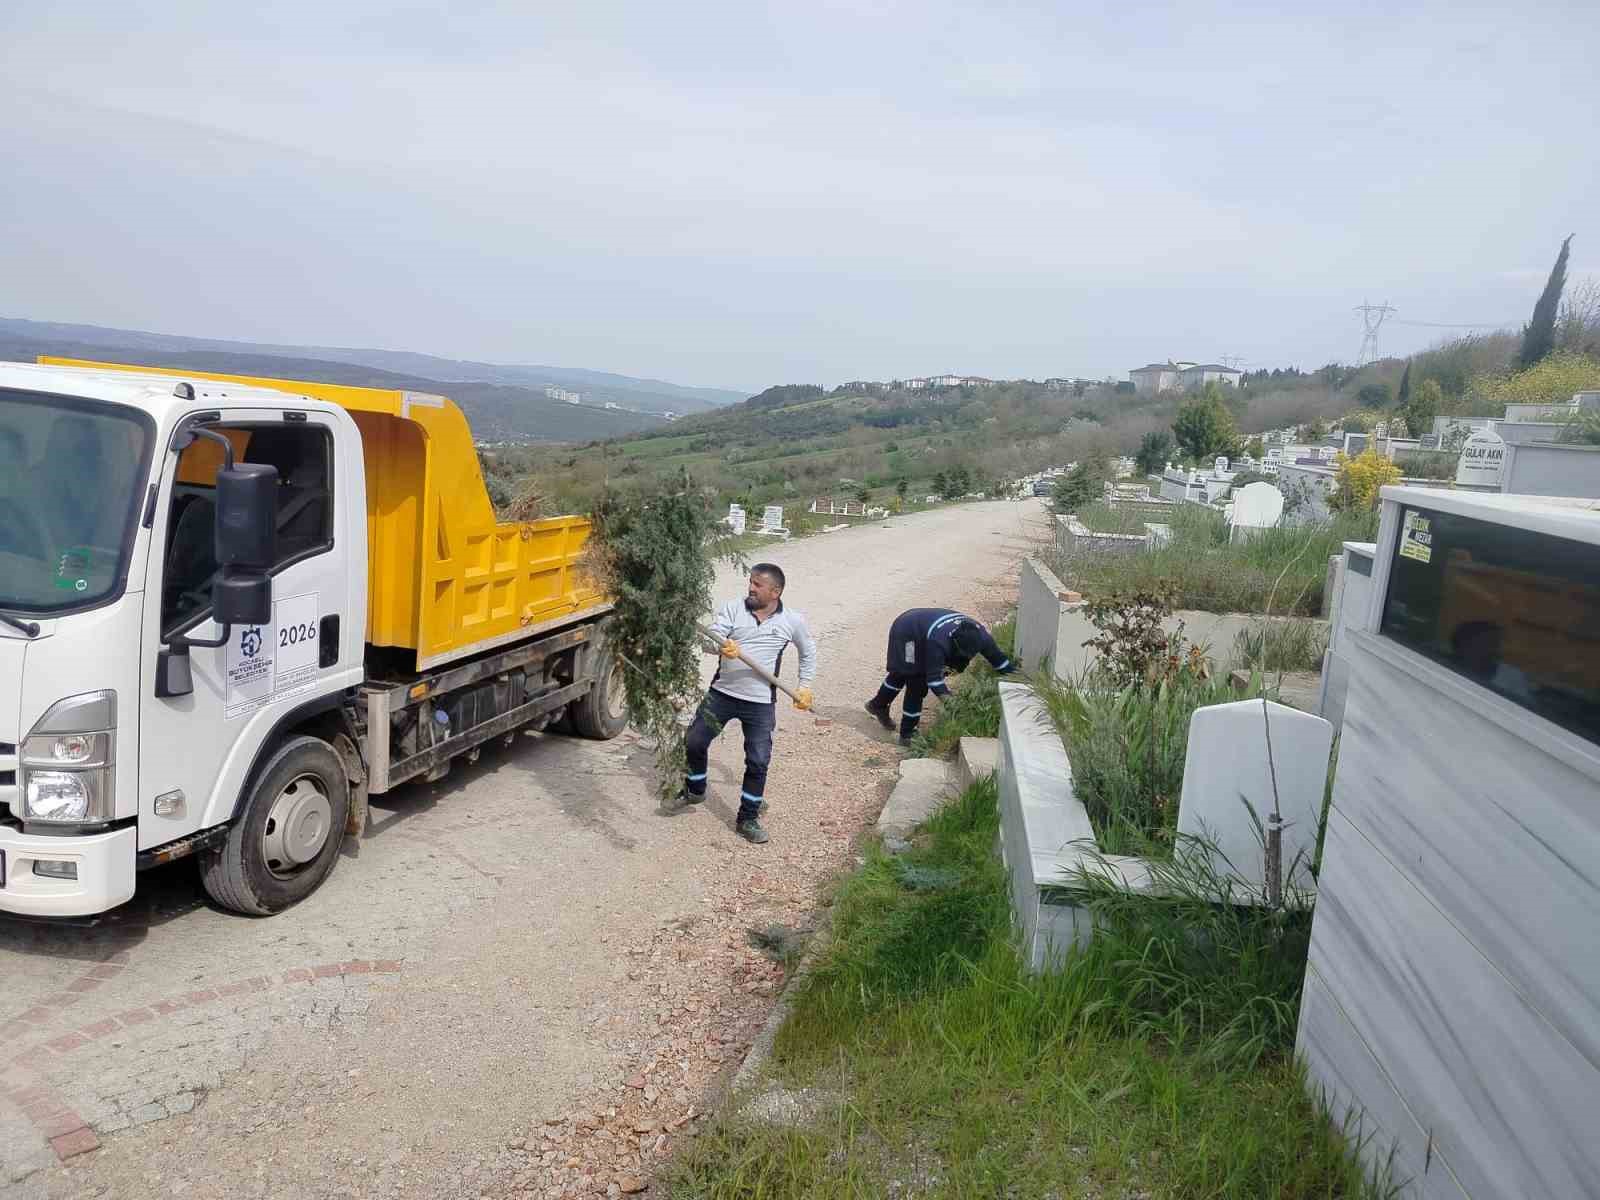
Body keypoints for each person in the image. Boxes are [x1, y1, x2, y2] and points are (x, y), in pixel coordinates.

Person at [683, 563, 817, 844]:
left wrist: (804, 686)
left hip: (759, 702)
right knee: (694, 741)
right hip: (722, 693)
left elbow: (808, 652)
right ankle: (695, 789)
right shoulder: (734, 608)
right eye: (751, 582)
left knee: (758, 761)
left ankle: (748, 817)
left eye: (758, 585)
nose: (751, 588)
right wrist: (721, 645)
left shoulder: (791, 621)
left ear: (775, 591)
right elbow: (708, 639)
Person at [865, 608, 1014, 743]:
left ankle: (878, 705)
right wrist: (953, 705)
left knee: (907, 673)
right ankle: (908, 734)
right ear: (953, 642)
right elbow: (934, 680)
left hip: (923, 627)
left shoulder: (982, 637)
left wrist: (1018, 681)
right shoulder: (939, 642)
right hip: (907, 632)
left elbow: (1000, 662)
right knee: (915, 680)